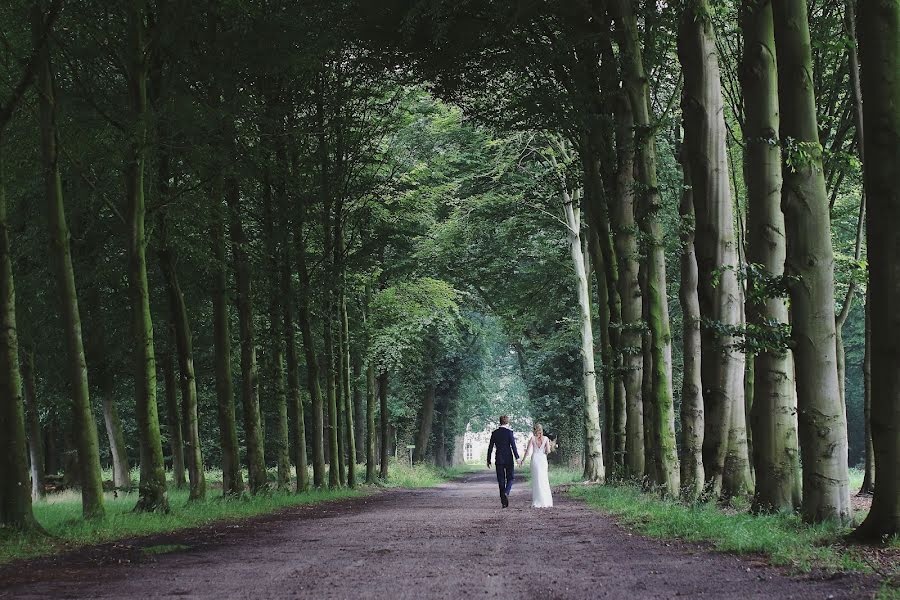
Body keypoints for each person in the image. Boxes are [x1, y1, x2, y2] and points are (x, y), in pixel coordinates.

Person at [486, 415, 519, 508]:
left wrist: (488, 460)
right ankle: (506, 492)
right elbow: (513, 446)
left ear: (500, 422)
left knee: (501, 480)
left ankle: (503, 502)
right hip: (508, 458)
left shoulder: (494, 433)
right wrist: (517, 458)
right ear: (507, 422)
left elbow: (490, 447)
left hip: (499, 458)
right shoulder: (509, 433)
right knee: (511, 478)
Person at [519, 423, 553, 508]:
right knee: (544, 479)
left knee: (536, 480)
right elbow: (548, 451)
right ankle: (545, 501)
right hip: (542, 460)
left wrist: (522, 461)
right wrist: (548, 447)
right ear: (542, 430)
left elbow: (527, 451)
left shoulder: (532, 439)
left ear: (535, 430)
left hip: (535, 460)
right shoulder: (546, 439)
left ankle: (537, 501)